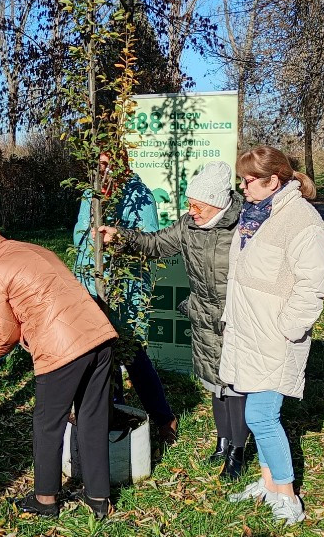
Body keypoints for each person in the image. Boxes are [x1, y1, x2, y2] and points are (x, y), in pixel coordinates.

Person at [0, 215, 118, 519]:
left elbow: (6, 332)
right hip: (99, 334)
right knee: (92, 418)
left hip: (62, 346)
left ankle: (45, 499)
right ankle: (98, 498)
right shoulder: (30, 248)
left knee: (46, 423)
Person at [101, 161, 249, 479]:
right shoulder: (188, 226)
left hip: (238, 318)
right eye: (190, 204)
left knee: (236, 389)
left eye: (197, 205)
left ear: (219, 203)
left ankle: (238, 451)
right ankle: (223, 443)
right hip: (204, 316)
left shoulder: (245, 225)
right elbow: (154, 244)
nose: (191, 210)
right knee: (215, 383)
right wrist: (120, 237)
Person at [220, 146, 324, 526]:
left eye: (249, 180)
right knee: (260, 414)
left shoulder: (301, 219)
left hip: (274, 336)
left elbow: (313, 284)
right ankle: (268, 483)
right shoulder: (255, 215)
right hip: (249, 331)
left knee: (261, 415)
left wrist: (288, 328)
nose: (243, 187)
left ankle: (286, 494)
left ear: (274, 181)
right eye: (242, 179)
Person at [73, 151, 178, 444]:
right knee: (98, 352)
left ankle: (162, 416)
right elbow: (79, 236)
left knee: (130, 352)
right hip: (91, 283)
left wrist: (116, 240)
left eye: (107, 165)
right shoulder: (88, 194)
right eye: (97, 164)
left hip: (125, 286)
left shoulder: (140, 194)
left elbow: (150, 240)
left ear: (122, 165)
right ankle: (111, 409)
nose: (101, 170)